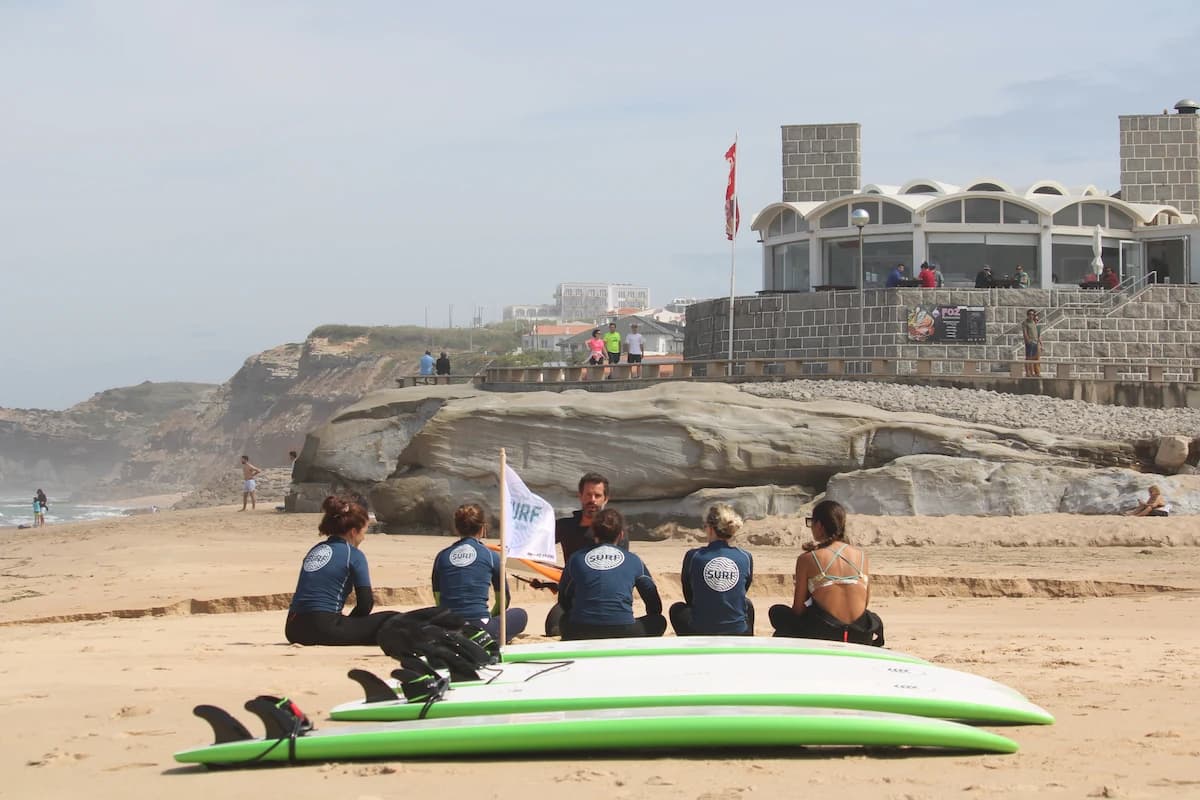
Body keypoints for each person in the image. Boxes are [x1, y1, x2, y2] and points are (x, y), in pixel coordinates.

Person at [284, 494, 398, 645]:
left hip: (293, 629)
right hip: (323, 627)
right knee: (392, 619)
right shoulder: (354, 554)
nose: (363, 538)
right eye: (364, 531)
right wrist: (351, 626)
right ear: (353, 532)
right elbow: (365, 604)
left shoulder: (316, 549)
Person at [768, 500, 883, 645]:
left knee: (777, 612)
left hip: (823, 632)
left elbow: (798, 609)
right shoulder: (862, 557)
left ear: (820, 525)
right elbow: (864, 602)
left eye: (811, 523)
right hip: (860, 634)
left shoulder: (808, 558)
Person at [559, 508, 666, 640]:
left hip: (581, 631)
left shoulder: (576, 558)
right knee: (659, 621)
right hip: (625, 631)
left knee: (564, 619)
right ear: (621, 535)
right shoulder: (634, 560)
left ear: (593, 534)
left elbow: (563, 599)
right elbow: (653, 600)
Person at [541, 472, 627, 635]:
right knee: (553, 628)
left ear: (605, 499)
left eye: (597, 495)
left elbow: (620, 572)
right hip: (573, 597)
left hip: (607, 599)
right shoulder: (566, 526)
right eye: (588, 494)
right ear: (580, 496)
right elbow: (536, 546)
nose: (592, 500)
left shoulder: (615, 531)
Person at [431, 503, 528, 643]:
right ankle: (494, 638)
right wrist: (490, 618)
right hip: (479, 626)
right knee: (520, 615)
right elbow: (504, 600)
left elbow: (438, 600)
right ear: (483, 528)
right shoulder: (491, 556)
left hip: (448, 627)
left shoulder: (442, 556)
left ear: (456, 528)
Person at [669, 504, 754, 635]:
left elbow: (689, 595)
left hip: (701, 630)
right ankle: (747, 640)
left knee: (676, 609)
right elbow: (743, 589)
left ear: (710, 529)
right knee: (747, 604)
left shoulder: (694, 556)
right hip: (737, 632)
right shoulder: (745, 557)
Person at [1022, 309, 1041, 377]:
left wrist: (1038, 342)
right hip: (1030, 342)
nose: (1031, 316)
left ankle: (1032, 372)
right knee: (1028, 358)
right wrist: (1028, 340)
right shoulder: (1025, 323)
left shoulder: (1034, 322)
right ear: (1027, 315)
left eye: (1032, 314)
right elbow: (1025, 332)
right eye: (1029, 314)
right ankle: (1028, 373)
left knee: (1033, 358)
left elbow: (1036, 333)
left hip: (1035, 342)